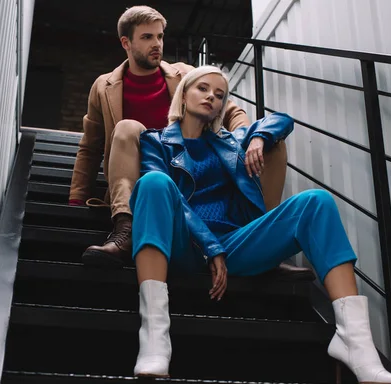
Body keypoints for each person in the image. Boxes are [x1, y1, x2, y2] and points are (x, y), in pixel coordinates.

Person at [129, 65, 391, 384]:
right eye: (203, 89)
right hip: (183, 245)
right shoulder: (155, 141)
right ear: (183, 95)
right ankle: (155, 336)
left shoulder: (230, 142)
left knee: (316, 201)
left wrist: (257, 137)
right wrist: (209, 245)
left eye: (220, 94)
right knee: (154, 183)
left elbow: (282, 119)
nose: (212, 96)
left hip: (236, 245)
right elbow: (166, 198)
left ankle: (356, 344)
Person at [69, 6, 293, 272]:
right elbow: (91, 145)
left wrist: (248, 141)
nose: (157, 44)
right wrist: (77, 198)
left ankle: (264, 242)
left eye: (160, 36)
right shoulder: (103, 86)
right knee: (127, 128)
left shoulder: (185, 75)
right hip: (141, 174)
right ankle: (125, 230)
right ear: (126, 43)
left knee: (271, 144)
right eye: (147, 37)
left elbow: (232, 112)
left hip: (185, 172)